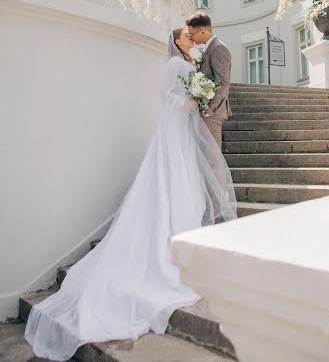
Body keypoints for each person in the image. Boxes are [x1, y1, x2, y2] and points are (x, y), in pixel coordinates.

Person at [24, 28, 237, 362]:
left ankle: (185, 232)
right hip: (173, 133)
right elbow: (167, 98)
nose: (190, 40)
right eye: (185, 36)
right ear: (178, 41)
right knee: (172, 185)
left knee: (189, 188)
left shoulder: (188, 61)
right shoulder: (172, 65)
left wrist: (197, 96)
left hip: (183, 133)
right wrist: (190, 99)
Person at [186, 13, 232, 150]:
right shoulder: (207, 48)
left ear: (203, 31)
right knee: (205, 157)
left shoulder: (219, 49)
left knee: (213, 157)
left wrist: (209, 109)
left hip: (212, 112)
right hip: (205, 111)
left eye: (192, 33)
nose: (191, 37)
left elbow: (223, 83)